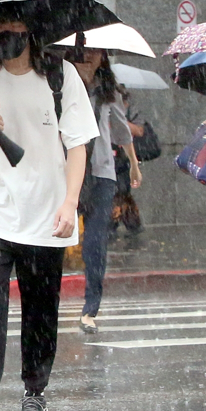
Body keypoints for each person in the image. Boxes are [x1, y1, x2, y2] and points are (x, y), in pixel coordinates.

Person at [0, 17, 97, 411]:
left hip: (45, 213)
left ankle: (34, 394)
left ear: (30, 32)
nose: (6, 39)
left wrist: (70, 203)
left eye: (14, 30)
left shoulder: (59, 75)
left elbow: (78, 146)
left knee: (40, 309)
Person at [68, 48, 141, 334]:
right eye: (81, 52)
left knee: (95, 242)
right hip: (67, 171)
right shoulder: (60, 84)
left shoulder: (108, 92)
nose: (87, 57)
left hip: (101, 174)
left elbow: (121, 132)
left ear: (103, 58)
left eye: (94, 53)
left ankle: (90, 308)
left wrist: (134, 164)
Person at [111, 85, 144, 238]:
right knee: (117, 193)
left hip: (122, 160)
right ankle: (123, 224)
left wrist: (119, 121)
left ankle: (125, 223)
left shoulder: (130, 113)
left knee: (122, 192)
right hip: (108, 159)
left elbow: (139, 130)